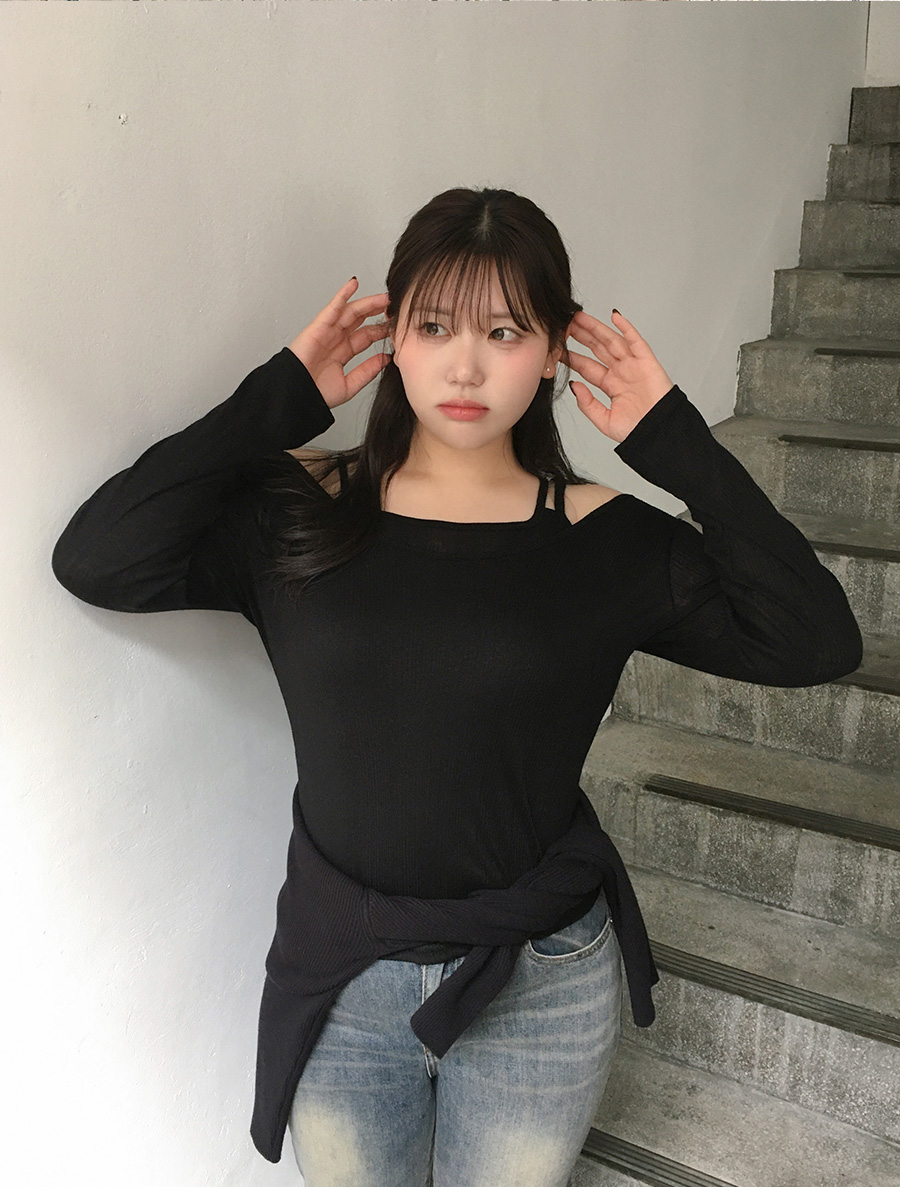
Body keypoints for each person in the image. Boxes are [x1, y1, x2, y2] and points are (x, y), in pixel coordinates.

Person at [51, 187, 863, 1187]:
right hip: (344, 977)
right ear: (393, 336)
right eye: (434, 326)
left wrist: (676, 442)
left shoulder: (606, 539)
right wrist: (277, 399)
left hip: (543, 983)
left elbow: (815, 639)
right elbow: (98, 558)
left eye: (504, 331)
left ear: (555, 349)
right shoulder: (301, 510)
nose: (466, 365)